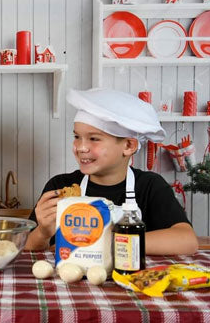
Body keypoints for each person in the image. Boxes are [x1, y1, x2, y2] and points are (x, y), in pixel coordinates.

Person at [25, 88, 199, 255]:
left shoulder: (149, 186)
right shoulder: (60, 185)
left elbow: (187, 240)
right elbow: (28, 249)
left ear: (129, 146)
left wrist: (109, 242)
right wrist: (43, 231)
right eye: (77, 137)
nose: (81, 147)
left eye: (94, 139)